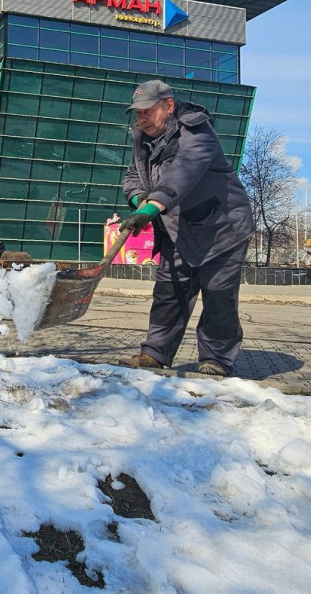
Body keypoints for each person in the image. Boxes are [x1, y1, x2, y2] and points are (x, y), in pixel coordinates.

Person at [109, 79, 255, 377]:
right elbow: (133, 176)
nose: (141, 119)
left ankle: (216, 357)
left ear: (169, 106)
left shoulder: (198, 133)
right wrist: (139, 201)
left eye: (147, 111)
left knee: (217, 294)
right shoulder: (143, 139)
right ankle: (155, 353)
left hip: (222, 228)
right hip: (178, 228)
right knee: (169, 291)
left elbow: (181, 174)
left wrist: (151, 208)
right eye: (137, 113)